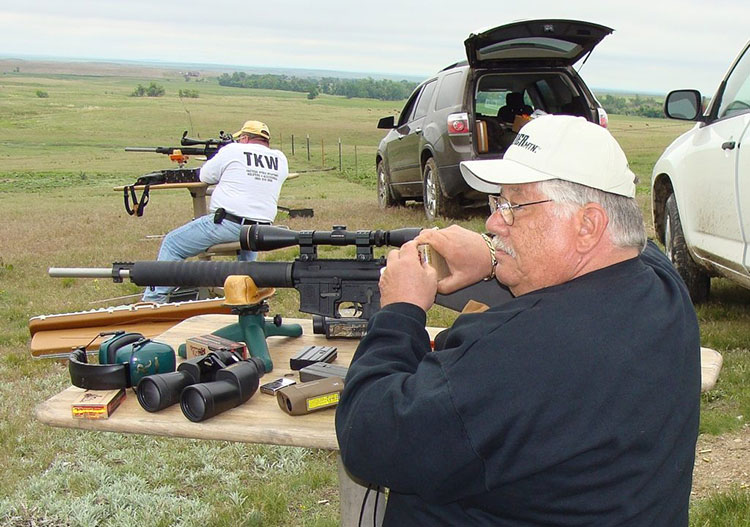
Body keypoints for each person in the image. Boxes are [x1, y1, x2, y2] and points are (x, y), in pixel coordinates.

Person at [336, 115, 701, 526]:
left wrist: (399, 312)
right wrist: (491, 260)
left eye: (513, 207)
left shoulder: (523, 353)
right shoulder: (661, 285)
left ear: (588, 225)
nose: (493, 223)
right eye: (497, 203)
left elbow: (367, 436)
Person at [142, 120, 288, 303]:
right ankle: (248, 296)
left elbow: (205, 176)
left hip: (229, 224)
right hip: (261, 231)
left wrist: (219, 156)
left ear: (244, 138)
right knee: (245, 259)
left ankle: (153, 300)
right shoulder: (280, 159)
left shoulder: (233, 150)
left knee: (172, 243)